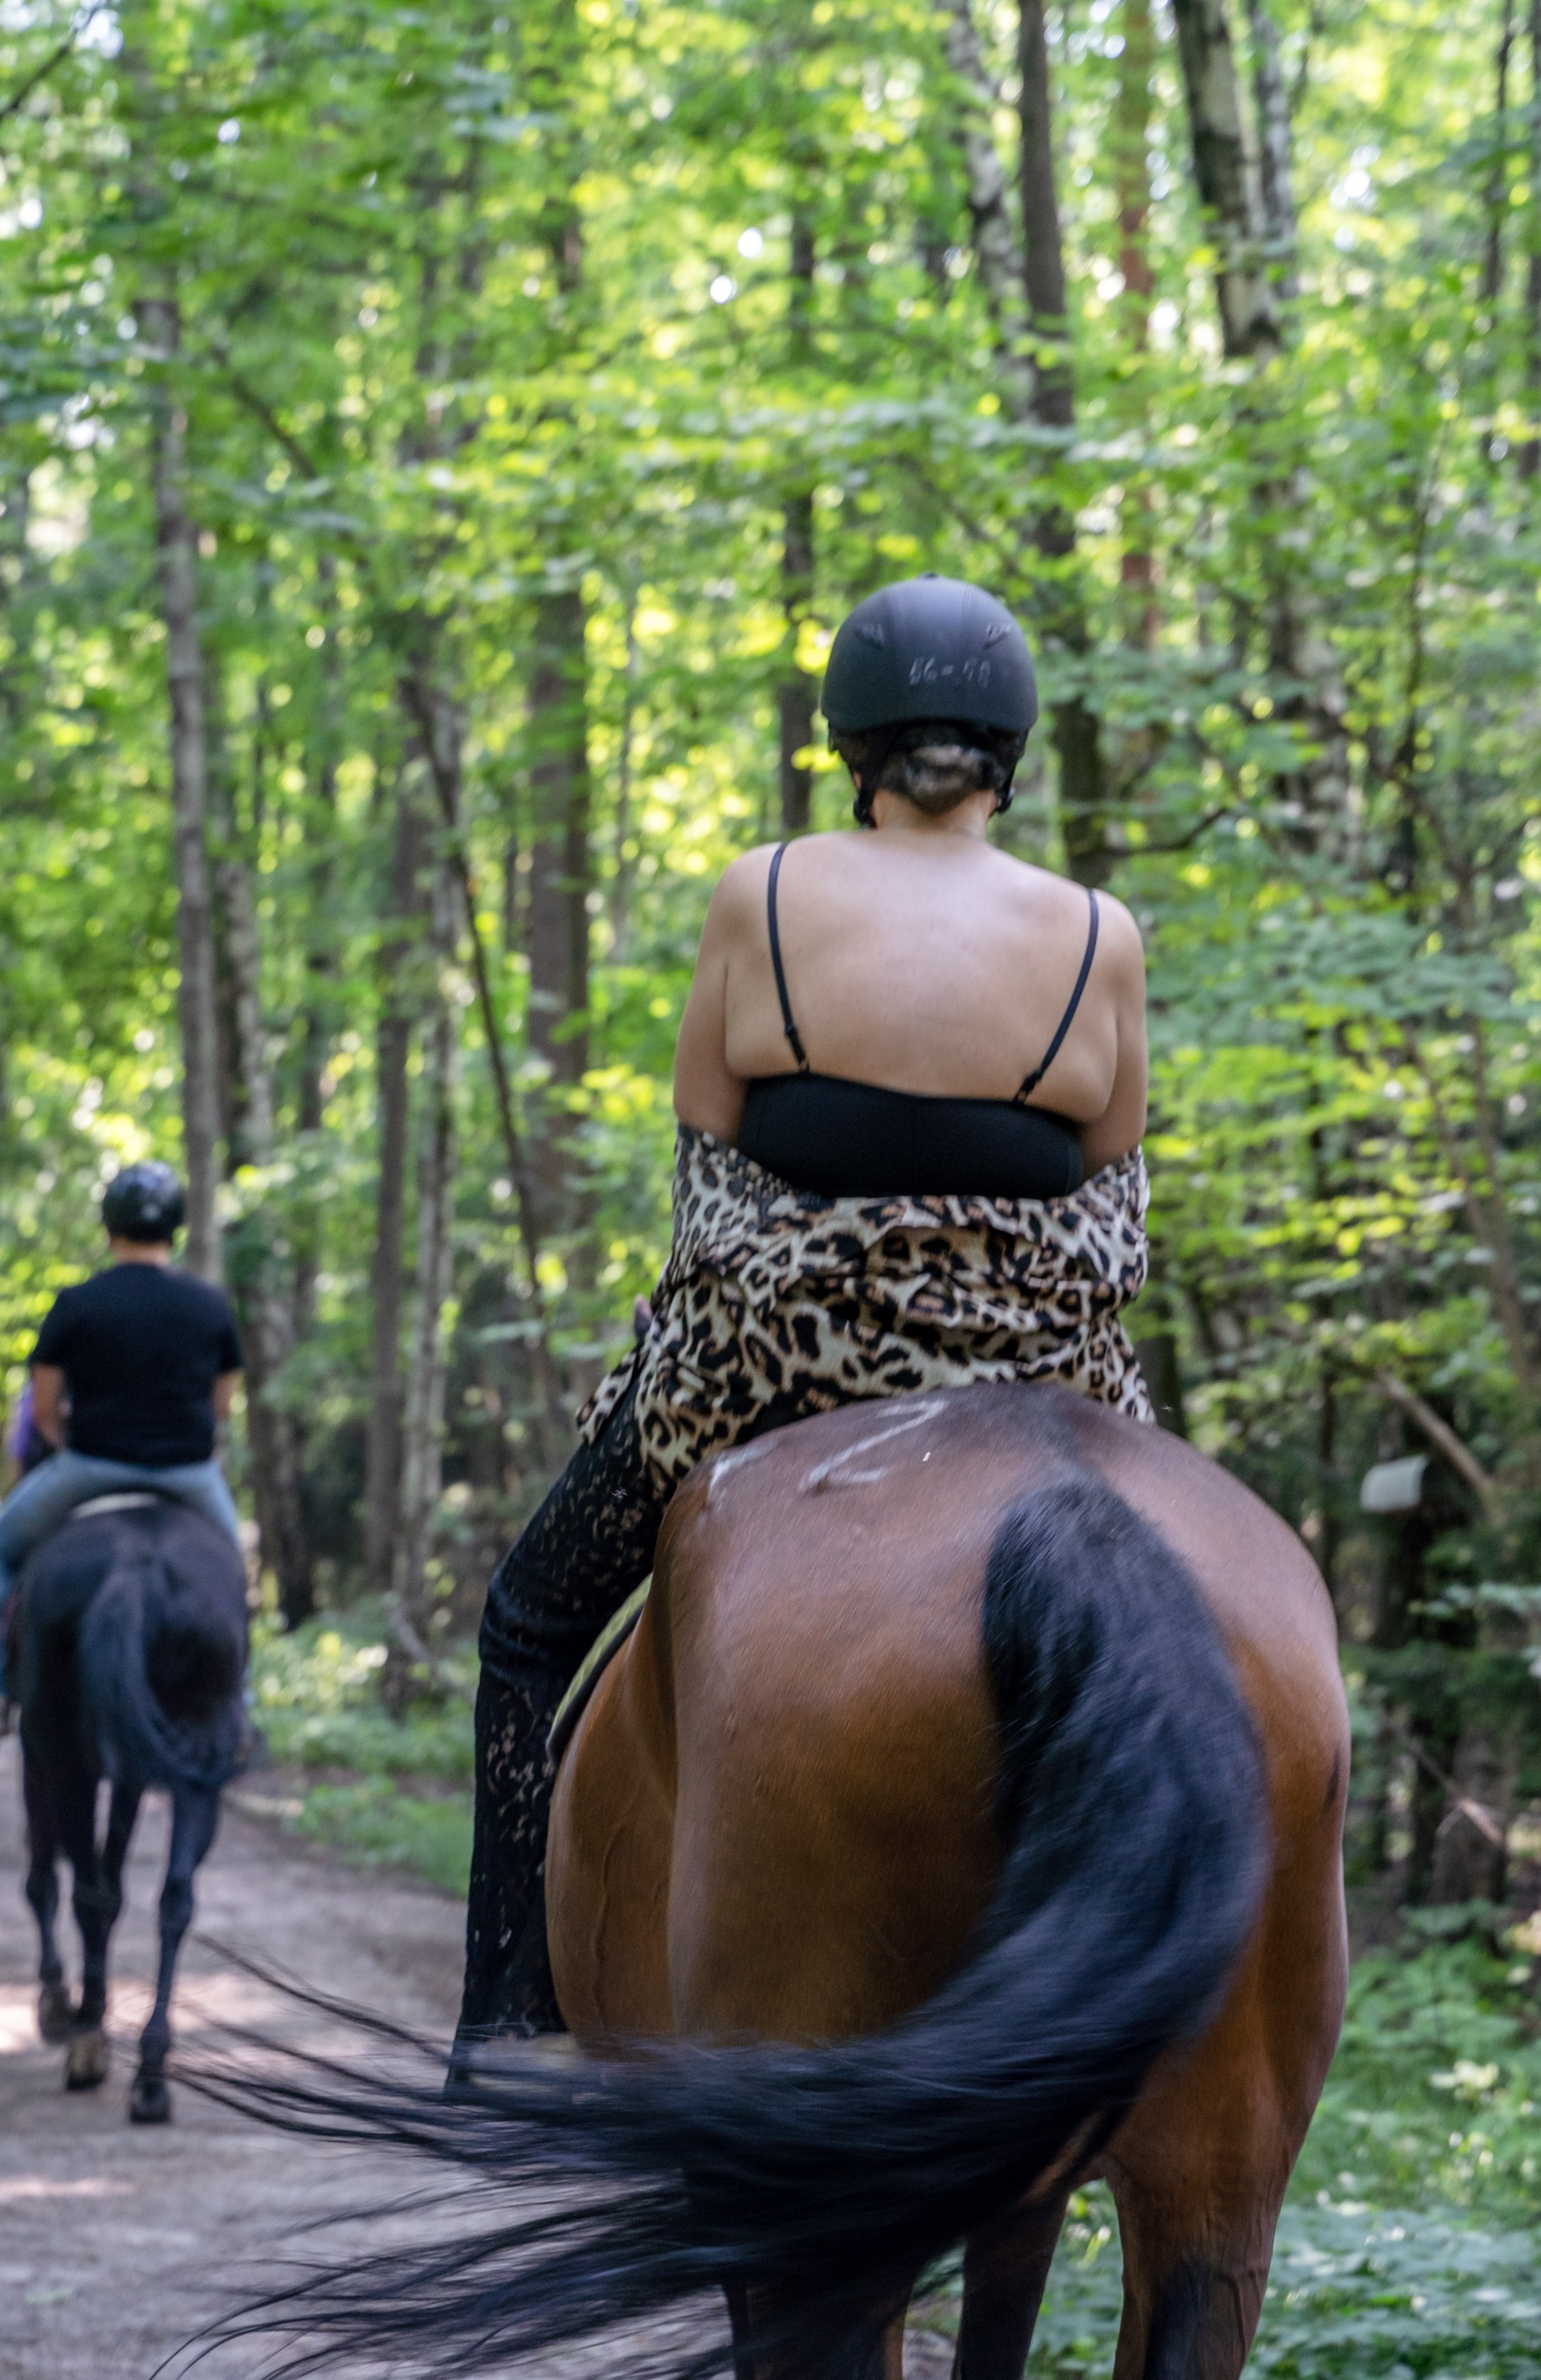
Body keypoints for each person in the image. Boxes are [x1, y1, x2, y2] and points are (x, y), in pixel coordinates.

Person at [457, 574, 1153, 2048]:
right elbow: (1108, 1167)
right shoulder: (1100, 932)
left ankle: (507, 2017)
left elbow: (707, 1130)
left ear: (853, 743)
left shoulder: (761, 892)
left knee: (524, 1628)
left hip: (768, 1361)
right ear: (1007, 750)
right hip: (1038, 1364)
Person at [0, 1160, 245, 1717]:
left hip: (90, 1469)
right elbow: (221, 1406)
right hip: (189, 1476)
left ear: (109, 1228)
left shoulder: (77, 1305)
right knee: (233, 1572)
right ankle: (240, 1706)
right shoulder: (210, 1307)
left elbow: (42, 1411)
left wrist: (68, 1443)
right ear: (174, 1229)